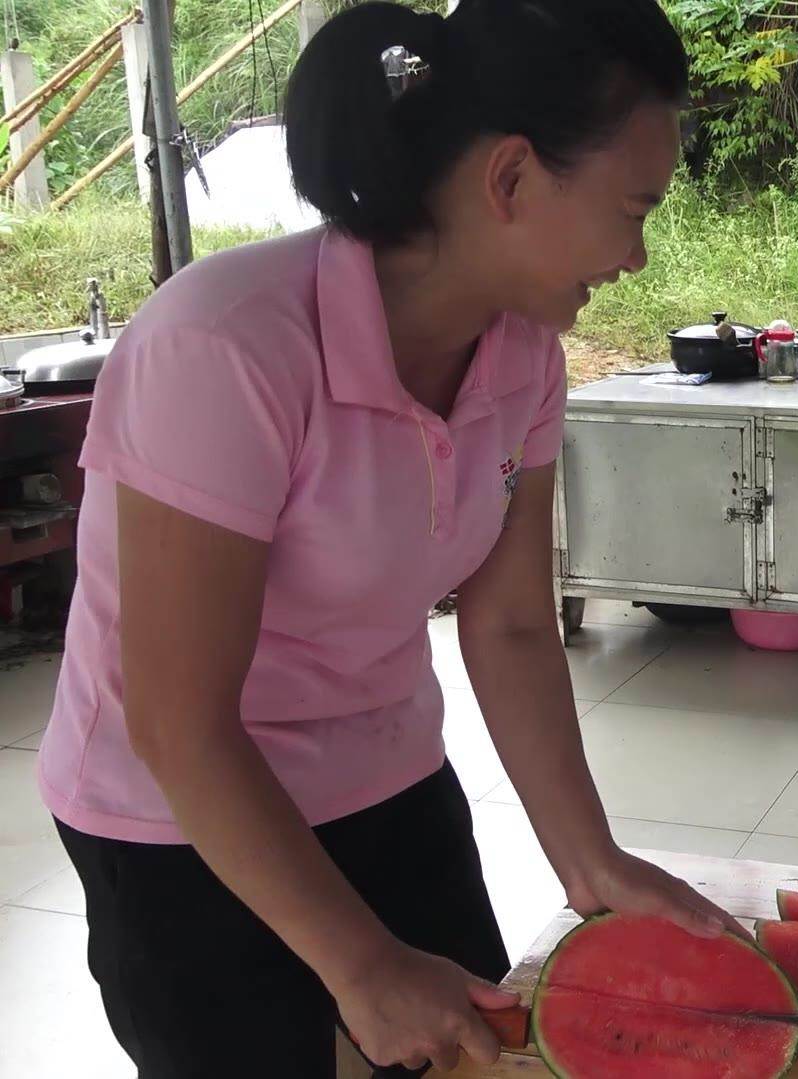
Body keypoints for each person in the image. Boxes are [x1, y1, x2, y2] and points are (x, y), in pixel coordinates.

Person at [35, 2, 733, 1075]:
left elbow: (505, 627)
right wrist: (358, 963)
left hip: (385, 772)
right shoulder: (224, 347)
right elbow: (178, 723)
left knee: (467, 1051)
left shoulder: (523, 355)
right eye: (631, 209)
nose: (636, 256)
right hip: (181, 820)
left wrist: (588, 859)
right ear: (508, 179)